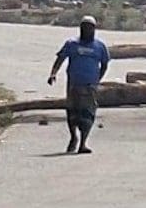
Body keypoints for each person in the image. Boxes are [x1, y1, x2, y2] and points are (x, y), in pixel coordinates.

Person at [47, 15, 110, 154]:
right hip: (73, 84)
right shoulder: (72, 44)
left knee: (87, 114)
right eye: (84, 27)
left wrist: (97, 79)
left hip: (89, 85)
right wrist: (53, 73)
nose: (87, 30)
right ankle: (73, 137)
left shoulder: (100, 46)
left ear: (94, 29)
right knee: (72, 113)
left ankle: (83, 143)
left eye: (90, 28)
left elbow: (104, 64)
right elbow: (60, 59)